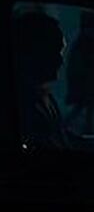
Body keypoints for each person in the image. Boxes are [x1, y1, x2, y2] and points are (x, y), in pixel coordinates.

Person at [13, 10, 72, 150]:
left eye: (61, 52)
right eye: (54, 51)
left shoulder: (43, 95)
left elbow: (62, 137)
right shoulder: (21, 101)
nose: (61, 60)